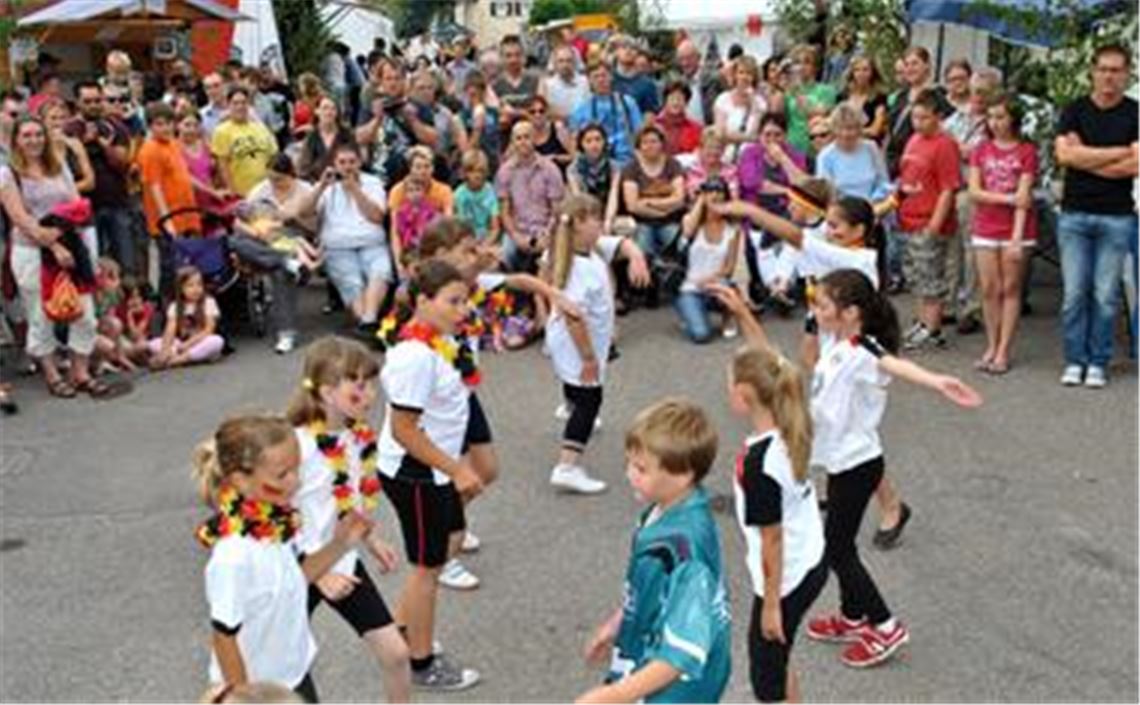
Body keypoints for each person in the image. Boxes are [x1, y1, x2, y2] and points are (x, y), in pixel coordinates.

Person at [714, 268, 981, 669]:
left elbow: (894, 364)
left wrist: (938, 382)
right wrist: (743, 314)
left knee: (836, 550)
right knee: (840, 545)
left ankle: (885, 625)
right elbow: (773, 366)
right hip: (841, 463)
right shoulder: (835, 342)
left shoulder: (862, 350)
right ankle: (854, 617)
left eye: (822, 305)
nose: (815, 310)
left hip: (858, 465)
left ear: (850, 312)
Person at [193, 414, 373, 702]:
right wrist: (246, 698)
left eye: (296, 469)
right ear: (240, 480)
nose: (296, 482)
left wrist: (341, 544)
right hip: (258, 691)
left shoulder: (277, 524)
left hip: (294, 674)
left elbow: (295, 579)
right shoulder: (234, 556)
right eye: (282, 475)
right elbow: (224, 636)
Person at [577, 399, 731, 703]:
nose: (628, 474)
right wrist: (619, 621)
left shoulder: (687, 552)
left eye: (641, 468)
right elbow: (653, 589)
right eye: (629, 463)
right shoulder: (659, 513)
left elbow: (680, 656)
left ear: (683, 474)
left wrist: (616, 694)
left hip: (677, 690)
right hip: (644, 655)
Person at [286, 336, 411, 703]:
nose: (370, 394)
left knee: (396, 653)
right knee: (284, 667)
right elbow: (276, 518)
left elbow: (347, 500)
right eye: (358, 386)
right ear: (326, 392)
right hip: (296, 568)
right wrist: (318, 574)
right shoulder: (298, 446)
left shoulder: (355, 436)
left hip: (341, 557)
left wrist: (370, 540)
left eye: (371, 383)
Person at [377, 259, 483, 691]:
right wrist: (456, 467)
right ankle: (421, 664)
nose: (463, 310)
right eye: (453, 301)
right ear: (423, 301)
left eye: (465, 300)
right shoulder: (414, 357)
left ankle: (403, 627)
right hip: (417, 474)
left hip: (434, 471)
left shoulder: (441, 341)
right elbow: (404, 430)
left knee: (449, 541)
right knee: (427, 568)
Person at [727, 345, 825, 704]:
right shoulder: (794, 422)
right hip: (812, 557)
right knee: (778, 660)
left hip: (786, 580)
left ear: (743, 395)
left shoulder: (758, 464)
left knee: (767, 679)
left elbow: (772, 539)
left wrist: (771, 606)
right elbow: (770, 363)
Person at [545, 194, 650, 494]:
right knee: (591, 398)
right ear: (578, 224)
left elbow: (619, 244)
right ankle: (567, 466)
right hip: (577, 342)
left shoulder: (587, 248)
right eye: (596, 219)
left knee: (576, 384)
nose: (601, 225)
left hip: (575, 341)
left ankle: (569, 404)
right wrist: (589, 357)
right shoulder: (577, 268)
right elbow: (573, 318)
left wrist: (636, 255)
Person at [1053, 44, 1138, 389]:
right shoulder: (1074, 110)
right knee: (1074, 293)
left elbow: (1136, 165)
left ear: (1127, 74)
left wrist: (1084, 155)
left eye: (1116, 70)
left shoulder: (1135, 113)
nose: (1109, 77)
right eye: (1103, 69)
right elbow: (1064, 156)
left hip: (1117, 217)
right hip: (1074, 215)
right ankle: (1075, 360)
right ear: (1092, 71)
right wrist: (1118, 153)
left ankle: (1098, 362)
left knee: (1105, 295)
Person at [968, 92, 1038, 376]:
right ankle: (991, 342)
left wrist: (1016, 239)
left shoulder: (1026, 151)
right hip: (985, 226)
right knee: (989, 288)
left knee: (1011, 289)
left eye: (1001, 117)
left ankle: (1003, 349)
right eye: (992, 117)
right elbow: (974, 191)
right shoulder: (981, 149)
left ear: (1013, 119)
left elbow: (1025, 196)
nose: (995, 123)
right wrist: (1007, 199)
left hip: (1015, 229)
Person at [299, 143, 391, 336]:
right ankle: (369, 323)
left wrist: (355, 191)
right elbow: (304, 212)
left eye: (352, 162)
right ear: (335, 164)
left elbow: (377, 217)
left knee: (380, 272)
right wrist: (321, 186)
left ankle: (368, 322)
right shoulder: (327, 184)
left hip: (371, 242)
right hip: (338, 246)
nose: (348, 167)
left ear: (360, 163)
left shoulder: (373, 183)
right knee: (352, 283)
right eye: (342, 162)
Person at [232, 153, 319, 354]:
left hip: (294, 236)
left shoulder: (306, 189)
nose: (274, 183)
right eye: (271, 178)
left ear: (291, 175)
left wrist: (293, 216)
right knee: (234, 241)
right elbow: (243, 221)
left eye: (279, 179)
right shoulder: (260, 190)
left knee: (281, 273)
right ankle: (285, 261)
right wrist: (256, 229)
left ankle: (286, 333)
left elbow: (316, 226)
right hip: (264, 238)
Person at [896, 89, 963, 351]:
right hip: (909, 218)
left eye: (924, 118)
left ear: (938, 117)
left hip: (929, 220)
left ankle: (933, 329)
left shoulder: (945, 145)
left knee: (931, 275)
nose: (918, 123)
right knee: (916, 275)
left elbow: (948, 187)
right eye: (915, 117)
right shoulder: (914, 140)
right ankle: (923, 322)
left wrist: (936, 223)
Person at [621, 124, 686, 304]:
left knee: (680, 244)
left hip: (670, 219)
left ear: (661, 144)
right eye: (645, 142)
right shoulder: (631, 168)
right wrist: (665, 206)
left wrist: (649, 203)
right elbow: (632, 205)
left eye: (654, 141)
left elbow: (680, 198)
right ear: (639, 146)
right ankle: (648, 287)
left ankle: (680, 286)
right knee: (643, 246)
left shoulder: (673, 165)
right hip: (642, 221)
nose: (650, 145)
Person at [674, 178, 741, 343]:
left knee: (728, 286)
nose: (716, 202)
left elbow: (729, 267)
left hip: (716, 283)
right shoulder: (692, 221)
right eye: (712, 197)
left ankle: (727, 316)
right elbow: (688, 231)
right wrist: (700, 201)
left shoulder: (733, 229)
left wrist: (712, 278)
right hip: (689, 286)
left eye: (720, 198)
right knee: (701, 335)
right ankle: (690, 312)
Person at [495, 119, 565, 272]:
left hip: (546, 229)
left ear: (534, 139)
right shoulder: (505, 172)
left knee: (552, 259)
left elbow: (557, 210)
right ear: (512, 142)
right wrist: (516, 236)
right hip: (517, 230)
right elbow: (504, 212)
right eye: (518, 138)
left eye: (526, 137)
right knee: (505, 255)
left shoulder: (550, 169)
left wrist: (547, 235)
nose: (523, 142)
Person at [388, 146, 454, 274]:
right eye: (418, 167)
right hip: (409, 246)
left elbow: (448, 223)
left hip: (434, 244)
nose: (423, 171)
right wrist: (398, 263)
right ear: (410, 168)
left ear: (433, 168)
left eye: (427, 166)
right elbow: (395, 231)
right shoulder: (398, 191)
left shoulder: (444, 190)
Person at [815, 104, 893, 210]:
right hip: (843, 213)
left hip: (874, 207)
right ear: (833, 129)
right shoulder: (825, 156)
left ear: (859, 129)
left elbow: (884, 183)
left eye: (851, 128)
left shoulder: (871, 148)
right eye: (841, 128)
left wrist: (874, 201)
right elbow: (826, 195)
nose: (845, 133)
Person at [149, 264, 225, 368]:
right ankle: (174, 356)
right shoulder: (175, 306)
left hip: (199, 342)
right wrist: (165, 350)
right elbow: (170, 330)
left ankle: (176, 360)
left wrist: (187, 345)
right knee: (154, 343)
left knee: (217, 341)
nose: (196, 289)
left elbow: (208, 330)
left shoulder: (208, 302)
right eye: (190, 285)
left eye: (199, 284)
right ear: (181, 288)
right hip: (180, 343)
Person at [569, 62, 644, 167]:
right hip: (595, 166)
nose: (600, 80)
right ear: (589, 81)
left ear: (611, 77)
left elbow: (639, 133)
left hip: (627, 162)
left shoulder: (627, 102)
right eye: (596, 77)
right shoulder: (580, 109)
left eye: (604, 75)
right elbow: (574, 140)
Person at [211, 86, 278, 198]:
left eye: (243, 103)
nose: (240, 107)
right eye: (235, 103)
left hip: (268, 191)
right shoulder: (221, 131)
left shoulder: (261, 128)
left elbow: (273, 156)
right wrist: (231, 191)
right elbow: (222, 165)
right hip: (242, 194)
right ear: (228, 105)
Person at [567, 123, 622, 236]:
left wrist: (608, 221)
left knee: (628, 226)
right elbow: (579, 199)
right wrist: (592, 224)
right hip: (585, 216)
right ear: (581, 144)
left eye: (598, 139)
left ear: (604, 142)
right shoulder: (573, 170)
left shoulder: (614, 167)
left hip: (609, 214)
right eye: (588, 141)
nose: (594, 144)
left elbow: (613, 195)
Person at [178, 108, 233, 216]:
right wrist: (213, 192)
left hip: (212, 202)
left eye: (195, 125)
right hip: (189, 206)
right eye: (187, 125)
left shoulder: (206, 145)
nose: (192, 129)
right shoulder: (175, 149)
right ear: (178, 125)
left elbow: (217, 171)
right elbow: (186, 177)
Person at [784, 45, 837, 155]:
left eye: (807, 62)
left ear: (815, 67)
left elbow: (816, 113)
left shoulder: (827, 90)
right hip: (792, 144)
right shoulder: (788, 92)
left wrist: (797, 93)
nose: (802, 66)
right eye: (797, 62)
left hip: (816, 145)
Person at [714, 55, 767, 165]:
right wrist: (747, 138)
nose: (744, 77)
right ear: (735, 75)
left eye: (749, 73)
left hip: (751, 160)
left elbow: (756, 135)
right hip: (726, 159)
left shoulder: (760, 103)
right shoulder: (722, 99)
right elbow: (720, 134)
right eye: (741, 72)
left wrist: (753, 104)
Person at [40, 99, 94, 196]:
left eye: (63, 118)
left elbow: (90, 182)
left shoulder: (74, 143)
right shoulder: (38, 146)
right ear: (43, 120)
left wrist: (62, 190)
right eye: (53, 118)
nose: (58, 122)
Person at [296, 96, 356, 183]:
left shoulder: (346, 135)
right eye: (325, 108)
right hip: (316, 184)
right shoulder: (312, 137)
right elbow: (303, 167)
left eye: (333, 109)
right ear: (317, 111)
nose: (329, 112)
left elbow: (355, 161)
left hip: (342, 183)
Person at [460, 70, 503, 177]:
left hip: (494, 164)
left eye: (477, 93)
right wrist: (477, 127)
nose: (474, 98)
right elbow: (466, 151)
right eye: (471, 94)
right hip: (474, 167)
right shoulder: (461, 117)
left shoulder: (494, 113)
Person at [454, 149, 500, 244]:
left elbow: (495, 228)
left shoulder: (491, 191)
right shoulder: (459, 194)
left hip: (488, 239)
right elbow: (459, 228)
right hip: (465, 239)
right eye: (472, 171)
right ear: (465, 173)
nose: (477, 175)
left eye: (480, 171)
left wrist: (485, 244)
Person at [839, 55, 889, 143]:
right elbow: (834, 122)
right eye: (857, 70)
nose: (861, 74)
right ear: (852, 72)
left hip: (867, 146)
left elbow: (875, 130)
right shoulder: (843, 95)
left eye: (865, 69)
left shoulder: (879, 98)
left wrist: (847, 132)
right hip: (844, 144)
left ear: (873, 72)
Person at [494, 35, 541, 126]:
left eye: (517, 55)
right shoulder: (495, 84)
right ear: (501, 58)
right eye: (508, 55)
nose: (513, 59)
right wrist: (525, 113)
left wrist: (513, 112)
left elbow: (540, 110)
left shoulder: (536, 80)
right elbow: (496, 113)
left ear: (523, 56)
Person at [610, 35, 661, 115]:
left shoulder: (647, 84)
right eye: (624, 47)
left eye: (632, 48)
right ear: (616, 52)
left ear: (637, 53)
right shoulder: (608, 80)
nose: (628, 50)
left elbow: (650, 114)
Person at [541, 45, 590, 122]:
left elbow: (588, 107)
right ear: (555, 64)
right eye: (561, 61)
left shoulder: (584, 82)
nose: (565, 65)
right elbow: (546, 112)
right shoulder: (548, 84)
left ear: (574, 62)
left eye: (568, 61)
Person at [527, 95, 573, 173]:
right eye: (532, 112)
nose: (537, 115)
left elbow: (574, 157)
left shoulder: (558, 129)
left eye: (541, 111)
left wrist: (555, 158)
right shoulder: (524, 132)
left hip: (559, 176)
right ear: (527, 114)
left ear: (547, 112)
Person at [657, 80, 702, 157]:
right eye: (672, 99)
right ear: (665, 101)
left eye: (680, 99)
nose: (676, 103)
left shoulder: (696, 128)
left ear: (686, 103)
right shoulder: (654, 126)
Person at [198, 72, 229, 137]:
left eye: (216, 86)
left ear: (225, 86)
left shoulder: (242, 109)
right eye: (208, 88)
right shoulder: (201, 115)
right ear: (205, 91)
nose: (213, 91)